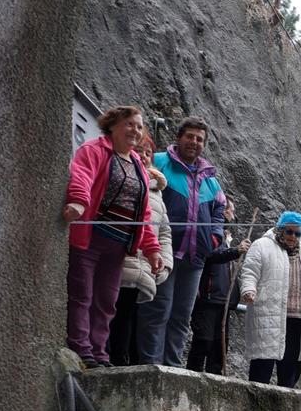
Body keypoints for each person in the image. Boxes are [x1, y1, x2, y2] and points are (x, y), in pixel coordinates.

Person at [63, 105, 162, 366]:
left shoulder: (139, 165)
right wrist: (79, 202)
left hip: (118, 245)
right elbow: (81, 176)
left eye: (139, 127)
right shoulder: (95, 150)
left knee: (107, 301)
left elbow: (144, 212)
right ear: (113, 125)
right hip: (91, 237)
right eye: (129, 124)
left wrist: (152, 250)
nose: (135, 130)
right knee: (82, 294)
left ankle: (99, 352)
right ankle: (81, 348)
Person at [137, 116, 228, 365]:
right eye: (190, 136)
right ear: (179, 137)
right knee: (157, 311)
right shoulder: (159, 162)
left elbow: (220, 207)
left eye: (200, 139)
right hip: (163, 251)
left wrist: (214, 237)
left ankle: (173, 367)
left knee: (181, 317)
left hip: (195, 258)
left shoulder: (210, 178)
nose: (194, 142)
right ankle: (150, 366)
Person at [238, 211, 301, 385]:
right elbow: (250, 271)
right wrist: (248, 289)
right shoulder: (262, 245)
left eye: (297, 233)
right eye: (289, 231)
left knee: (289, 371)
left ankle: (283, 409)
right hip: (268, 314)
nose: (293, 236)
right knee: (262, 364)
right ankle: (254, 404)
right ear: (280, 229)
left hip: (297, 320)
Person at [107, 133, 173, 364]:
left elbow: (164, 232)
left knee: (128, 314)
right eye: (140, 150)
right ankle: (105, 357)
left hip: (143, 263)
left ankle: (120, 360)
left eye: (148, 153)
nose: (144, 156)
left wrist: (165, 263)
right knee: (109, 311)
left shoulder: (156, 192)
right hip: (117, 256)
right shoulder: (120, 176)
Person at [186, 199, 250, 373]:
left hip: (223, 301)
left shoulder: (225, 237)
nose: (233, 215)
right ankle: (192, 376)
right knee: (203, 341)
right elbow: (211, 254)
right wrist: (235, 251)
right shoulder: (211, 234)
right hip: (208, 296)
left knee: (219, 347)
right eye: (230, 210)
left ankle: (215, 381)